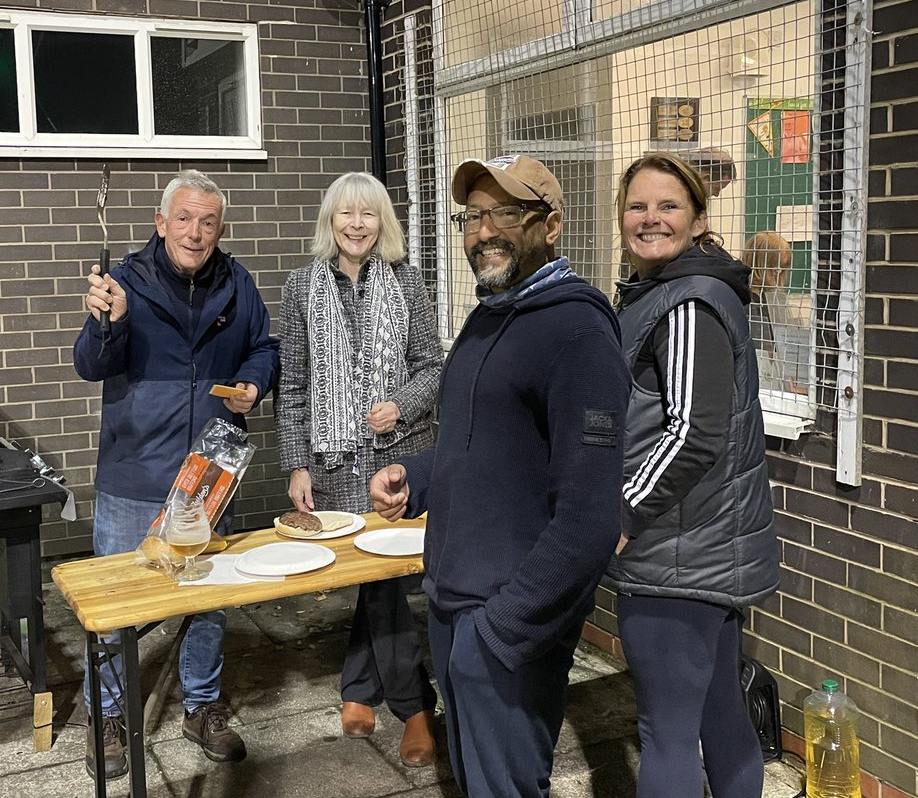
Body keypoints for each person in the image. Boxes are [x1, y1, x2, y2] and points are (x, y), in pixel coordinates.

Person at [370, 155, 630, 797]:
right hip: (454, 600)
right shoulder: (490, 317)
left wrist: (505, 629)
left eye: (505, 214)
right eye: (473, 216)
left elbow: (592, 514)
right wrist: (417, 474)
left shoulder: (578, 331)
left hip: (508, 620)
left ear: (551, 225)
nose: (484, 230)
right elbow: (480, 444)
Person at [74, 169, 279, 778]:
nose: (196, 231)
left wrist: (252, 384)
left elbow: (263, 347)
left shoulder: (238, 283)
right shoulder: (124, 283)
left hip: (211, 472)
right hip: (135, 467)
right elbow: (90, 363)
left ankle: (202, 705)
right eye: (184, 219)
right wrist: (104, 320)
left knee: (208, 599)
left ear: (221, 227)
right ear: (161, 223)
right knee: (120, 602)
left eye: (208, 221)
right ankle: (107, 713)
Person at [606, 152, 780, 798]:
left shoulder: (684, 304)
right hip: (708, 549)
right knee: (718, 712)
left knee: (666, 733)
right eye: (637, 206)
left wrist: (622, 514)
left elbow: (691, 433)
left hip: (675, 554)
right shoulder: (681, 291)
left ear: (699, 219)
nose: (650, 219)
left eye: (668, 206)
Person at [277, 171, 443, 766]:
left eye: (367, 214)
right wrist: (297, 465)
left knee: (383, 582)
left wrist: (401, 405)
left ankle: (404, 701)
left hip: (399, 460)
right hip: (335, 463)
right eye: (345, 213)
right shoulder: (300, 287)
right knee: (370, 582)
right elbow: (292, 385)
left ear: (383, 223)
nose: (355, 224)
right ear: (330, 221)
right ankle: (381, 693)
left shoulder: (408, 281)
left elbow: (433, 366)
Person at [740, 230, 803, 392]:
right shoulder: (744, 299)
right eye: (775, 268)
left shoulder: (774, 298)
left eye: (782, 269)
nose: (778, 274)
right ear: (760, 263)